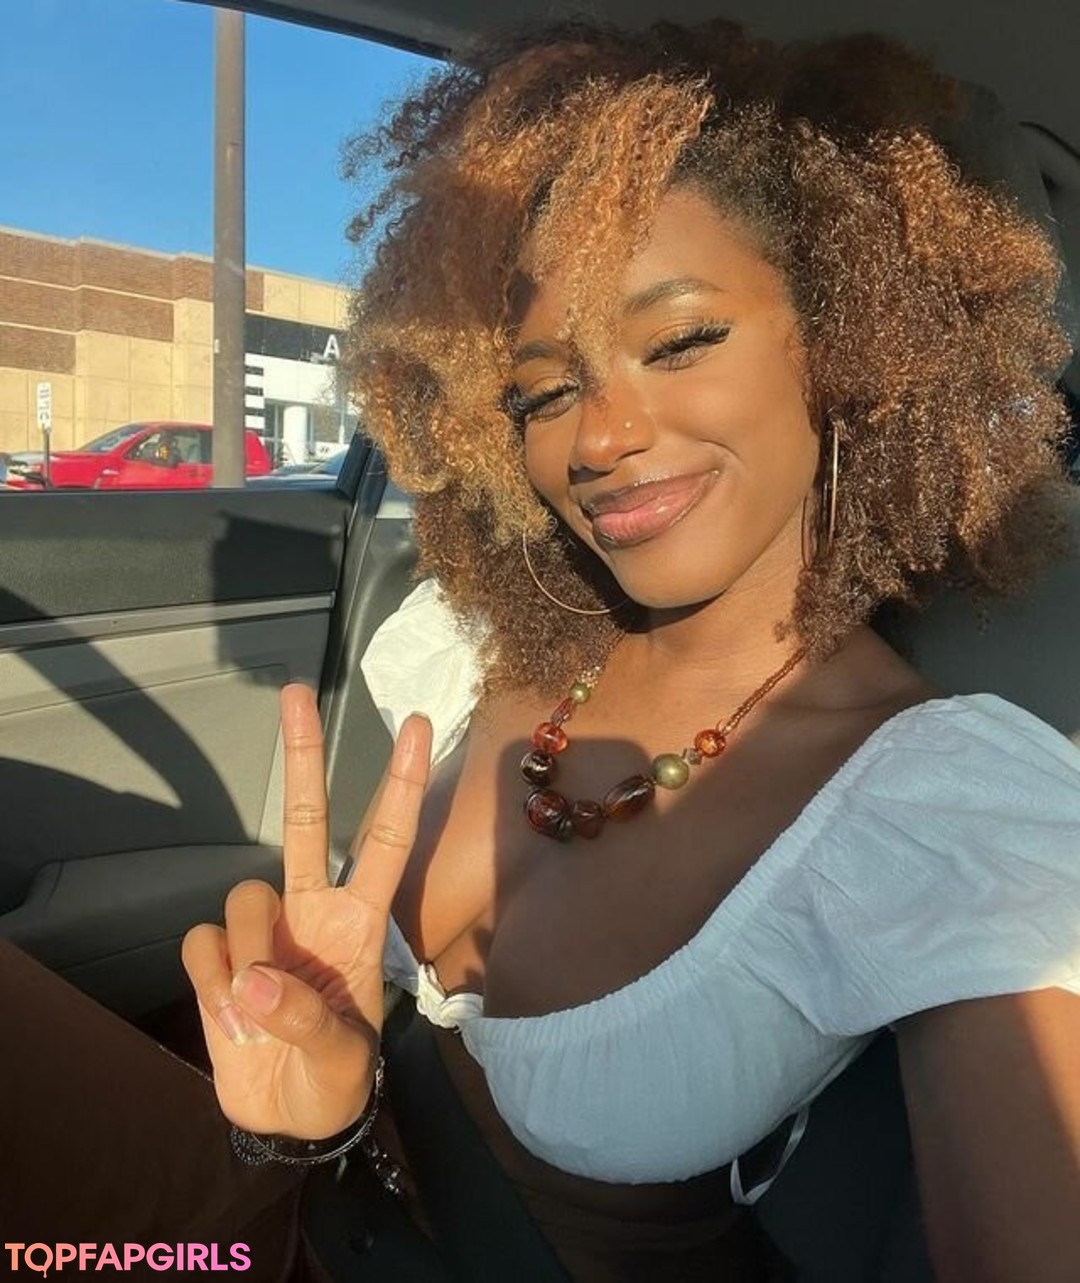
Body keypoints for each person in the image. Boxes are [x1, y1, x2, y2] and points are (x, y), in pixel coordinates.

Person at [2, 18, 1078, 1283]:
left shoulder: (946, 803)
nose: (598, 439)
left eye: (679, 341)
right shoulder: (481, 645)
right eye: (546, 390)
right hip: (298, 1205)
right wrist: (317, 1101)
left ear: (846, 346)